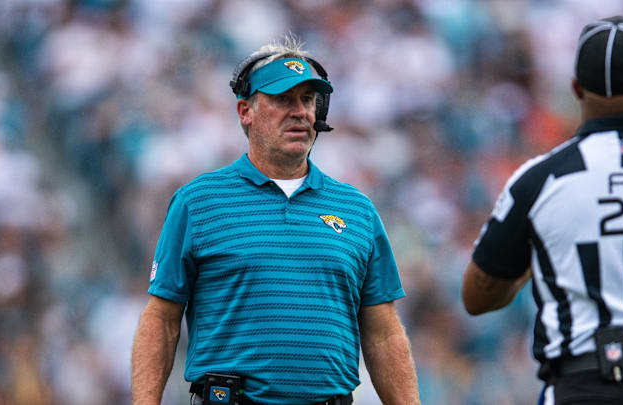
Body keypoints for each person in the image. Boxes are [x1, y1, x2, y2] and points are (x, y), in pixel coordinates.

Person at [131, 36, 420, 405]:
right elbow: (161, 320)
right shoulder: (198, 201)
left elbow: (383, 333)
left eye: (307, 100)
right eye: (283, 99)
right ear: (245, 112)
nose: (299, 111)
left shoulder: (356, 209)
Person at [461, 15, 623, 405]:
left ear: (575, 88)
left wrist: (542, 255)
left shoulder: (539, 180)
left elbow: (477, 295)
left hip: (582, 385)